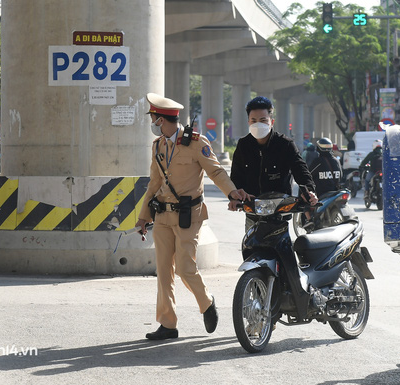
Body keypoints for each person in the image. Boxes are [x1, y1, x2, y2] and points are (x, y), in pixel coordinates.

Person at [136, 93, 250, 341]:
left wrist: (232, 193)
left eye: (154, 119)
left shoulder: (197, 143)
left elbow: (216, 172)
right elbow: (154, 183)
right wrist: (144, 217)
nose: (153, 124)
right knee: (164, 272)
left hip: (189, 215)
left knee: (186, 269)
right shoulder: (158, 145)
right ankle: (168, 324)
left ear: (163, 119)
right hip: (163, 216)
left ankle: (206, 302)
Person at [230, 96, 317, 229]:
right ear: (248, 122)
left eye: (263, 120)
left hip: (280, 212)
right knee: (250, 247)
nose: (258, 124)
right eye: (253, 120)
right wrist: (234, 197)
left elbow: (300, 170)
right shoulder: (243, 145)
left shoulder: (285, 144)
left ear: (272, 122)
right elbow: (236, 174)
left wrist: (309, 191)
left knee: (282, 248)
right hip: (252, 210)